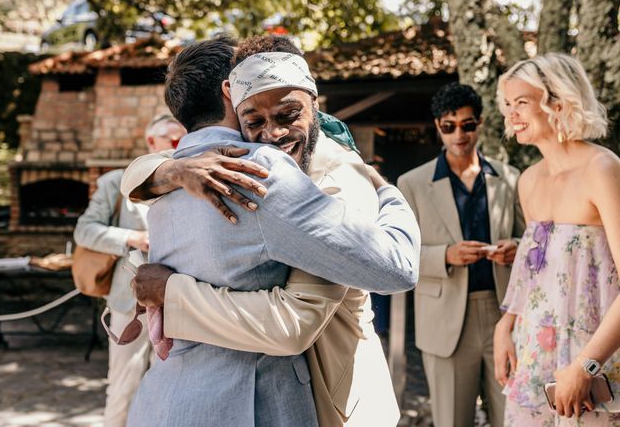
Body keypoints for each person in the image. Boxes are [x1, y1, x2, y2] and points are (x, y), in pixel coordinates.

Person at [125, 38, 420, 427]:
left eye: (287, 114)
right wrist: (165, 172)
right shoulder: (211, 170)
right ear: (231, 93)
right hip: (249, 403)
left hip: (175, 401)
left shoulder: (181, 171)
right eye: (255, 119)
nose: (271, 135)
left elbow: (384, 273)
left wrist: (383, 189)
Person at [493, 53, 620, 425]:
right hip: (532, 356)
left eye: (521, 103)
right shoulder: (529, 180)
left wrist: (586, 367)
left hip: (595, 360)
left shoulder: (603, 169)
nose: (510, 115)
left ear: (558, 103)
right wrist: (506, 325)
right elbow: (533, 273)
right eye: (506, 105)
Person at [397, 83, 525, 427]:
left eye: (467, 125)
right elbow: (398, 255)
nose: (459, 134)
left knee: (513, 417)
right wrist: (445, 256)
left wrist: (517, 247)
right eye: (449, 126)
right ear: (437, 125)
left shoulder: (510, 178)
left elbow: (533, 240)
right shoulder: (411, 183)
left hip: (506, 315)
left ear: (480, 124)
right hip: (444, 320)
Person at [73, 114, 185, 427]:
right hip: (129, 303)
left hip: (181, 301)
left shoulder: (190, 182)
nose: (179, 146)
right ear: (152, 143)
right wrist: (132, 238)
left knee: (170, 389)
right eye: (172, 140)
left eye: (183, 139)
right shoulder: (116, 182)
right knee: (124, 385)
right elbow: (84, 230)